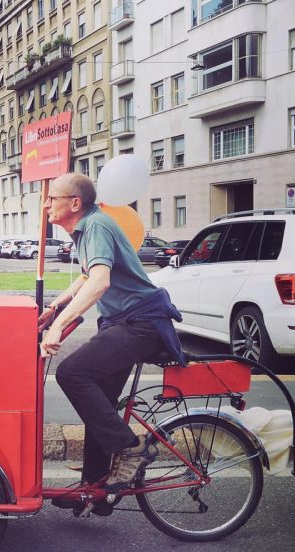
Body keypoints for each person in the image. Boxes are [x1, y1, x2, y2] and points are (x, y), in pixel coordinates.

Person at [39, 173, 185, 513]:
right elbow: (88, 275)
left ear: (75, 203)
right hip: (125, 323)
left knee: (72, 373)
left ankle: (131, 448)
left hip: (141, 324)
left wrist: (58, 327)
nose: (46, 204)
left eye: (52, 198)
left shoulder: (95, 225)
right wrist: (54, 308)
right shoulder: (87, 227)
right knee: (100, 404)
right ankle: (96, 489)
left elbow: (100, 282)